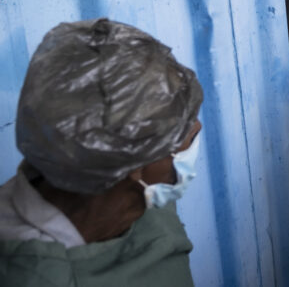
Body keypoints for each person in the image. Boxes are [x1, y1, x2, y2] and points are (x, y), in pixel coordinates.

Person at [0, 18, 204, 285]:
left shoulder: (143, 199)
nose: (196, 128)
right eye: (183, 134)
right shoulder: (29, 272)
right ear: (134, 164)